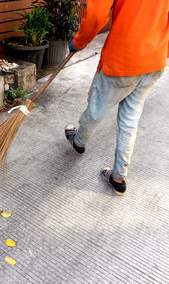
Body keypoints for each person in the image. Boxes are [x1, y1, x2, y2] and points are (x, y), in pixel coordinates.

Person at [65, 0, 169, 195]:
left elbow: (96, 15)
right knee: (130, 119)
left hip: (122, 59)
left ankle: (79, 142)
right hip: (154, 59)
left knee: (96, 108)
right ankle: (118, 177)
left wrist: (80, 41)